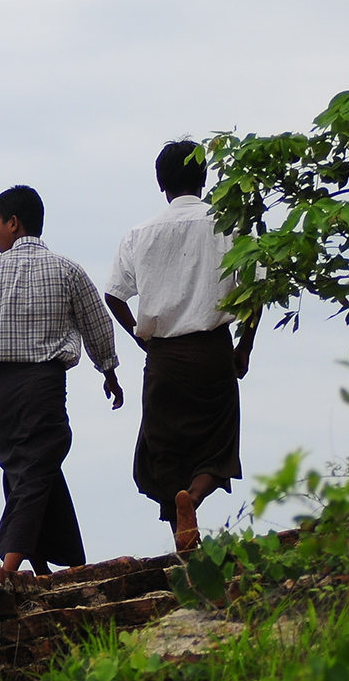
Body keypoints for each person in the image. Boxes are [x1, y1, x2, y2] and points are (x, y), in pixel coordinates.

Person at [103, 140, 259, 551]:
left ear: (160, 183)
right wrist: (244, 348)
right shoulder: (228, 225)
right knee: (217, 445)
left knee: (164, 451)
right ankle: (196, 497)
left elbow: (114, 295)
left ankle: (182, 540)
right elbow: (256, 290)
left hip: (164, 358)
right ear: (204, 178)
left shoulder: (140, 234)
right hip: (213, 352)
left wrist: (142, 337)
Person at [0, 186, 122, 578]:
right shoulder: (67, 269)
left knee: (23, 467)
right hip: (42, 385)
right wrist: (108, 371)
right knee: (36, 468)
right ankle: (10, 563)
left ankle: (56, 564)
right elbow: (97, 324)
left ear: (13, 224)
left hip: (0, 390)